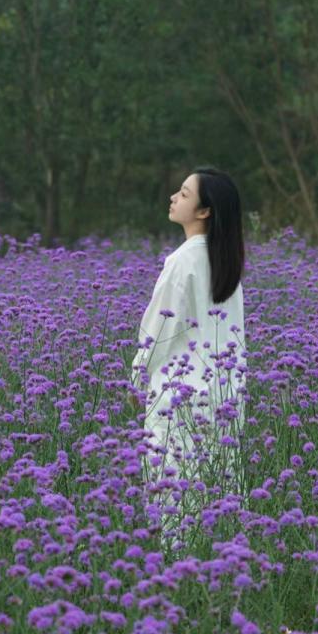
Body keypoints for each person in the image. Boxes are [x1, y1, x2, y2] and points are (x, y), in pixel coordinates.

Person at [131, 167, 246, 505]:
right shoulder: (227, 262)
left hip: (178, 404)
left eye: (183, 194)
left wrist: (137, 377)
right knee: (218, 497)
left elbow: (158, 329)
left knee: (176, 506)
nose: (173, 198)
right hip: (223, 397)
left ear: (204, 211)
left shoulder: (182, 261)